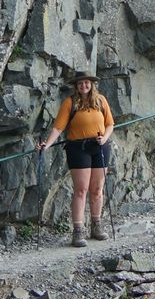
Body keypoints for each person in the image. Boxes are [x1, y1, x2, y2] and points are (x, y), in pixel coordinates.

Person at [38, 72, 114, 246]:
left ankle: (96, 226)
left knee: (97, 188)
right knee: (81, 190)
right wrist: (46, 145)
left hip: (99, 146)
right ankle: (78, 231)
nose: (84, 86)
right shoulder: (70, 103)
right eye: (80, 84)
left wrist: (105, 138)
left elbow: (110, 124)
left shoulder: (101, 101)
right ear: (76, 86)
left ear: (91, 84)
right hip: (78, 148)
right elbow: (58, 128)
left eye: (86, 83)